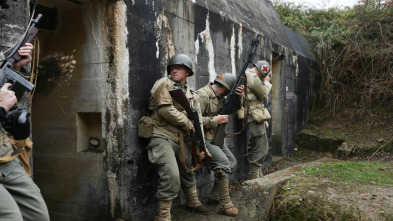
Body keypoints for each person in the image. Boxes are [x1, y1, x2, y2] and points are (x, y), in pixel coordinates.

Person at [147, 53, 212, 220]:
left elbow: (197, 122)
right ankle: (163, 217)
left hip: (182, 138)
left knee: (188, 170)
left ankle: (193, 202)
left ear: (188, 72)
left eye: (179, 67)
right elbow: (164, 110)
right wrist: (188, 124)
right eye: (172, 67)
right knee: (171, 176)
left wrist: (200, 148)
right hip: (162, 134)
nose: (174, 70)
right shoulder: (163, 84)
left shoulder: (192, 94)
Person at [0, 43, 50, 221]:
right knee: (11, 217)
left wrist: (16, 69)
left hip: (4, 157)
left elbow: (9, 101)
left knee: (38, 216)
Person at [197, 73, 243, 217]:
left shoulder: (221, 97)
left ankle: (215, 196)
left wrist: (237, 98)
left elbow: (232, 109)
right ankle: (225, 204)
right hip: (202, 139)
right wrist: (216, 120)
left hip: (215, 138)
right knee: (223, 165)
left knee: (232, 162)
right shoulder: (202, 96)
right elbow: (193, 122)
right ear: (225, 89)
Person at [243, 60, 272, 179]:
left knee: (262, 144)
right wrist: (266, 82)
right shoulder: (253, 77)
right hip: (253, 114)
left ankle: (258, 174)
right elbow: (264, 94)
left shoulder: (248, 75)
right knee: (259, 145)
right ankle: (255, 176)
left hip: (255, 114)